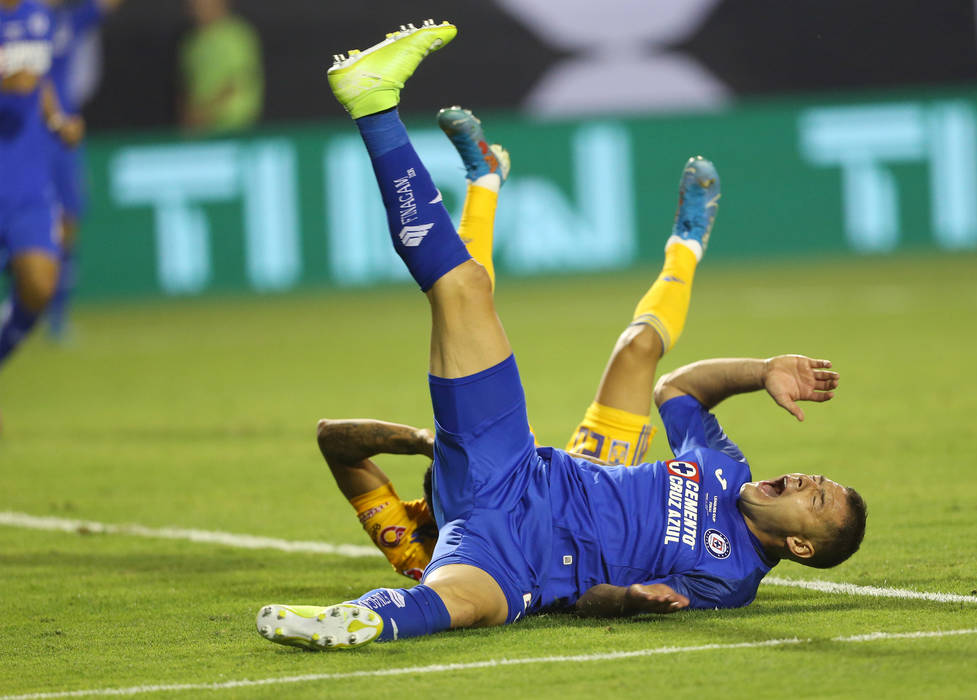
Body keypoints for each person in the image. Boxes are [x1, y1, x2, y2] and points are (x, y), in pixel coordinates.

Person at [256, 21, 867, 651]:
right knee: (494, 301)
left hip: (517, 553)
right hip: (535, 474)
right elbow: (678, 388)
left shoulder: (729, 579)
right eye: (811, 476)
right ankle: (380, 108)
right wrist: (761, 368)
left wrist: (629, 602)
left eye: (814, 496)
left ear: (799, 544)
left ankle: (361, 619)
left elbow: (588, 601)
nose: (799, 478)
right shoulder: (722, 466)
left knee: (464, 603)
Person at [317, 104, 718, 582]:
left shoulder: (415, 533)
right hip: (593, 491)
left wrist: (430, 443)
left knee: (465, 301)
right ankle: (687, 244)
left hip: (537, 473)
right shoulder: (431, 563)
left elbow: (331, 439)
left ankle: (484, 182)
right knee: (639, 349)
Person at [1, 0, 81, 374]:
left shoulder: (39, 15)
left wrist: (58, 121)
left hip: (26, 178)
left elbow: (41, 77)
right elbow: (17, 79)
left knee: (39, 284)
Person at [43, 0, 124, 339]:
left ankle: (57, 318)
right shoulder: (12, 20)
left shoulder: (68, 21)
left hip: (63, 134)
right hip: (19, 134)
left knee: (69, 220)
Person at [177, 0, 262, 134]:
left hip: (235, 130)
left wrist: (205, 114)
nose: (198, 6)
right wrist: (190, 118)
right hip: (198, 133)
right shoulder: (190, 43)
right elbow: (186, 87)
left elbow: (238, 82)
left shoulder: (236, 35)